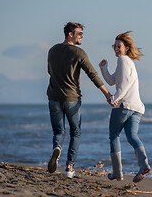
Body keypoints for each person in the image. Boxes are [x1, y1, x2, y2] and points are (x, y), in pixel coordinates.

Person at [47, 22, 113, 178]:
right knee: (75, 132)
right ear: (70, 34)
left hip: (53, 97)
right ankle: (69, 168)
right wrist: (107, 94)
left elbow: (49, 71)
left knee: (59, 131)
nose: (82, 36)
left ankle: (57, 147)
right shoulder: (79, 53)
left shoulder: (52, 50)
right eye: (79, 33)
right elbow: (93, 74)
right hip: (72, 99)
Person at [99, 31, 151, 183]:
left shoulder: (122, 60)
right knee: (132, 136)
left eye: (119, 46)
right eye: (114, 46)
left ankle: (117, 172)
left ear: (127, 47)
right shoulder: (127, 62)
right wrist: (104, 68)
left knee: (114, 136)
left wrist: (115, 98)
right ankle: (144, 164)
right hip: (137, 108)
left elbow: (125, 85)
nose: (116, 49)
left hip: (124, 105)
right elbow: (111, 81)